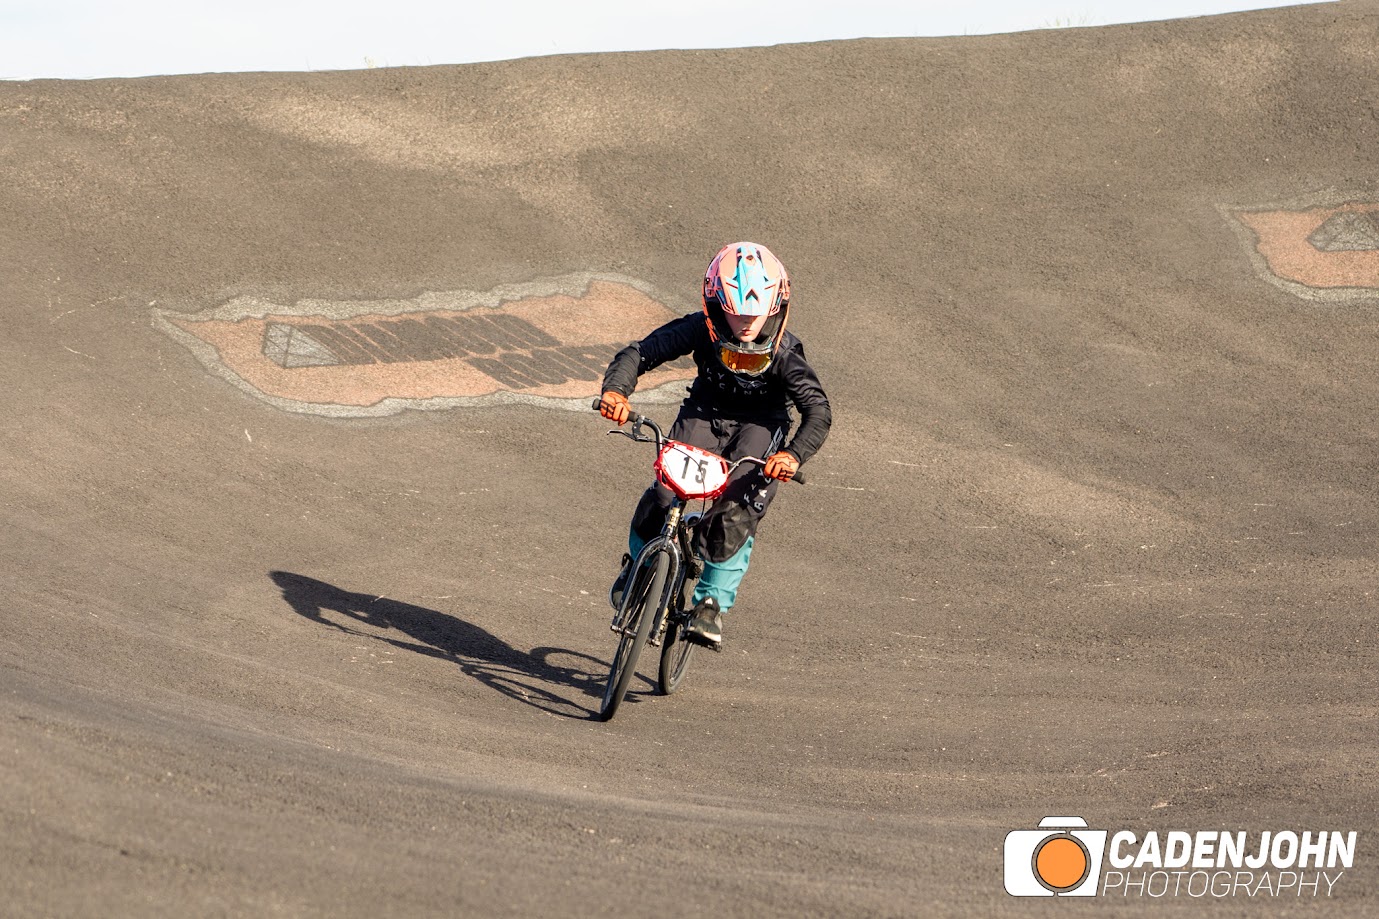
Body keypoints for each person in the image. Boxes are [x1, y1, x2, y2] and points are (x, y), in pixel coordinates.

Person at [598, 242, 832, 648]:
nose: (746, 324)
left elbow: (818, 410)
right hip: (705, 412)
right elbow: (641, 352)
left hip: (762, 425)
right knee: (665, 490)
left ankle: (710, 605)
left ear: (776, 307)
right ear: (714, 303)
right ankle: (638, 564)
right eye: (736, 312)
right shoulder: (698, 328)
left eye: (756, 314)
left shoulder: (786, 353)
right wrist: (616, 391)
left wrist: (792, 455)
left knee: (736, 511)